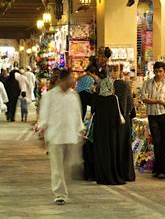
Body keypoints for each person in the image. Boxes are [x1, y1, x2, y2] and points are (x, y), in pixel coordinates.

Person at [36, 70, 84, 205]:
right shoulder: (49, 96)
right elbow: (44, 114)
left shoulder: (74, 96)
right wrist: (42, 128)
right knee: (57, 168)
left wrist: (81, 130)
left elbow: (77, 115)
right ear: (62, 80)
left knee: (69, 166)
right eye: (71, 78)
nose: (73, 81)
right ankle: (60, 194)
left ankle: (63, 187)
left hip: (70, 136)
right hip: (55, 137)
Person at [90, 77, 126, 185]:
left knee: (101, 152)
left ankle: (101, 176)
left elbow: (92, 111)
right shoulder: (114, 99)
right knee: (111, 153)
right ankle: (112, 174)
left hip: (100, 131)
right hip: (112, 132)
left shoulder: (97, 98)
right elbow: (120, 114)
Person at [140, 61, 165, 179]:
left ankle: (158, 168)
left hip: (163, 116)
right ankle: (161, 169)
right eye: (156, 71)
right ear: (153, 71)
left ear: (164, 72)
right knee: (157, 141)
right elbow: (144, 98)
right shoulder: (147, 83)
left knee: (162, 142)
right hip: (152, 115)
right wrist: (158, 101)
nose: (158, 73)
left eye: (161, 71)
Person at [114, 78, 136, 182]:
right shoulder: (127, 92)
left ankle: (119, 172)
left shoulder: (114, 99)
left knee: (118, 148)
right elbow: (131, 108)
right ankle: (127, 173)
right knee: (126, 148)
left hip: (116, 123)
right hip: (126, 122)